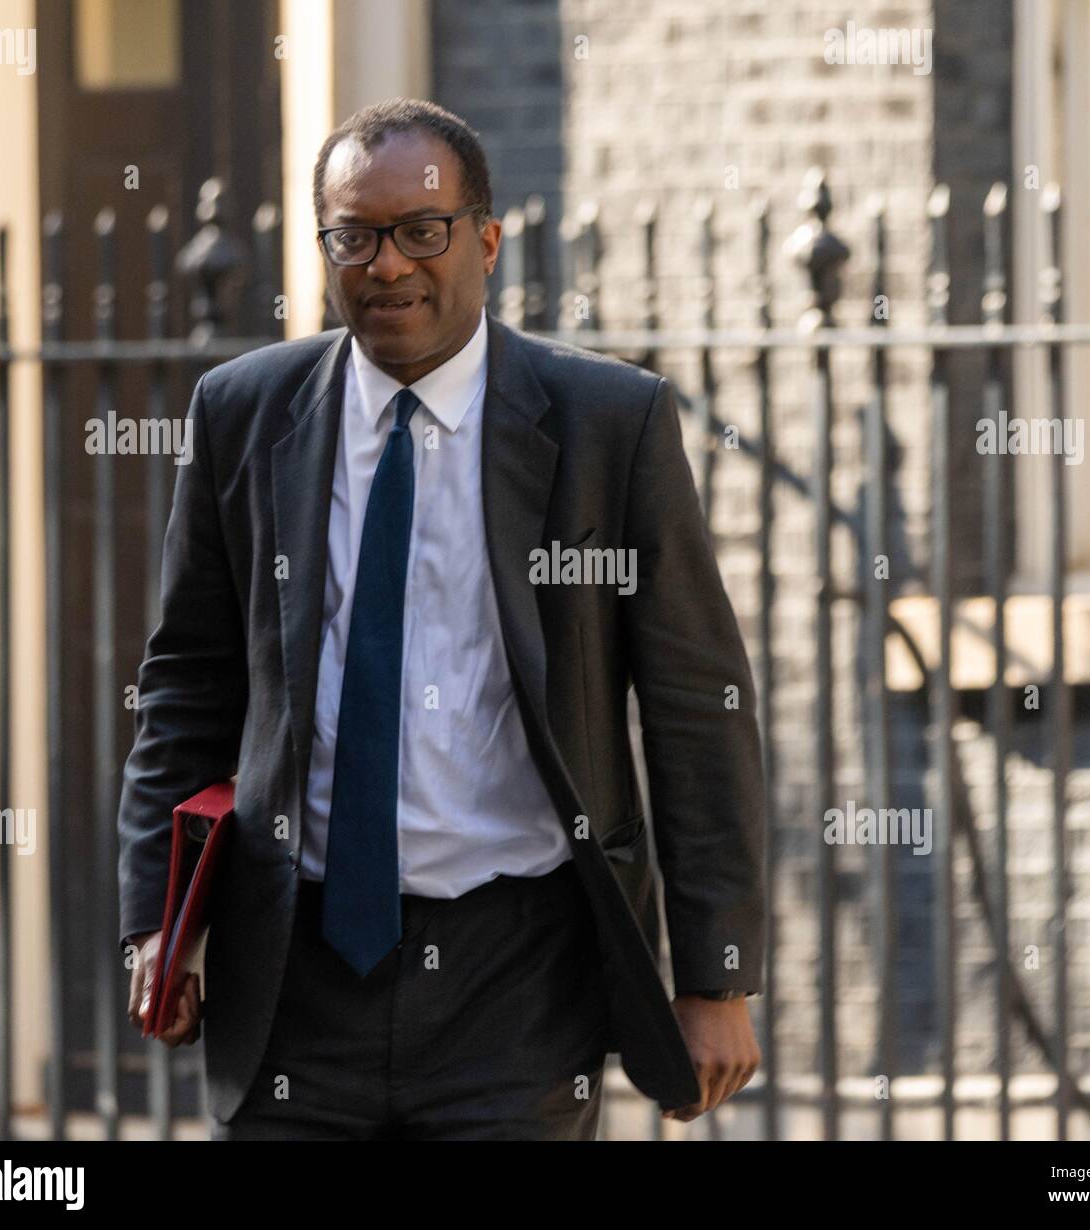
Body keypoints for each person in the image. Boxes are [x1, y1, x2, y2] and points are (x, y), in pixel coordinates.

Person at [119, 97, 766, 1141]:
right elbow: (188, 678)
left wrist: (716, 974)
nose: (387, 265)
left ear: (487, 242)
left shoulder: (608, 423)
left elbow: (697, 703)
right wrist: (156, 914)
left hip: (518, 981)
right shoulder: (242, 412)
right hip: (291, 974)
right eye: (354, 237)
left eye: (422, 231)